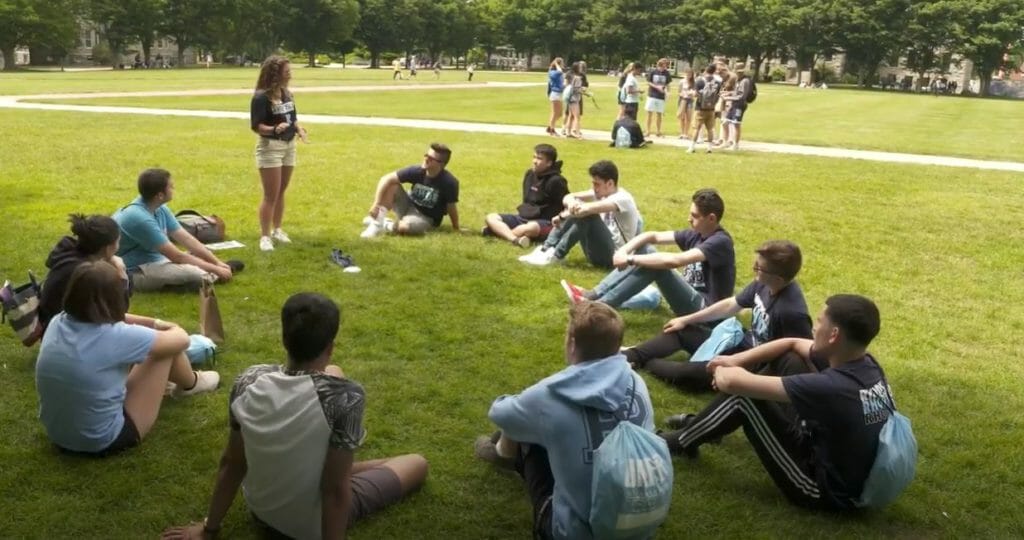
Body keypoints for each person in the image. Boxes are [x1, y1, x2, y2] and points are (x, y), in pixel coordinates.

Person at [162, 293, 429, 539]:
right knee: (416, 463)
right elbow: (335, 492)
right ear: (330, 346)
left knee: (334, 372)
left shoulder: (248, 380)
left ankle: (333, 468)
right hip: (311, 525)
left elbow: (232, 463)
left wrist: (208, 528)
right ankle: (345, 467)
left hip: (262, 509)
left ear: (284, 339)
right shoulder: (346, 397)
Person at [660, 295, 896, 511]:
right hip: (836, 456)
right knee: (790, 359)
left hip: (821, 488)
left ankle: (681, 442)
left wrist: (721, 369)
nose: (814, 328)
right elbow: (791, 343)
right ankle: (710, 426)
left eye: (819, 321)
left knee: (744, 398)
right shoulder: (866, 364)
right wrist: (735, 359)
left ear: (834, 335)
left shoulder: (833, 387)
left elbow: (731, 383)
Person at [474, 301, 656, 539]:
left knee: (525, 425)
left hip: (573, 534)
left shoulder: (550, 397)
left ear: (571, 343)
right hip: (640, 522)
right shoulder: (636, 382)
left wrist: (531, 399)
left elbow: (500, 413)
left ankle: (502, 454)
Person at [35, 261, 219, 456]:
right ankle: (191, 383)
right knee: (163, 350)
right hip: (103, 439)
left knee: (156, 345)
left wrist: (155, 323)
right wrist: (171, 327)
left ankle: (181, 383)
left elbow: (118, 317)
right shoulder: (116, 336)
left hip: (59, 436)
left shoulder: (58, 322)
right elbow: (181, 341)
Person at [625, 240, 812, 393]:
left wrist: (744, 375)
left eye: (759, 268)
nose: (754, 269)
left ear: (778, 279)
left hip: (751, 365)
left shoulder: (792, 313)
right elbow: (731, 305)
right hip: (739, 343)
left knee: (684, 374)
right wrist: (686, 319)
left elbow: (801, 359)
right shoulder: (764, 283)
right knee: (682, 330)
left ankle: (643, 362)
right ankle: (630, 356)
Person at [561, 188, 735, 317]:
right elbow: (652, 236)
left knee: (657, 265)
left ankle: (598, 307)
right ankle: (593, 295)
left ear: (711, 218)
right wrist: (624, 250)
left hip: (706, 310)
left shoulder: (720, 242)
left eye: (695, 216)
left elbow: (674, 261)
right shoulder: (697, 234)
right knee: (646, 250)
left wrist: (631, 259)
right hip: (689, 296)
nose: (689, 219)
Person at [39, 214, 182, 336]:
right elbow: (117, 313)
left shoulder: (70, 255)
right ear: (108, 248)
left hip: (55, 326)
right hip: (70, 335)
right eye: (118, 242)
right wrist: (121, 273)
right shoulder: (88, 273)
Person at [114, 168, 239, 292]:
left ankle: (216, 272)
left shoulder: (159, 208)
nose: (173, 188)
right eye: (170, 187)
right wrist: (215, 269)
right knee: (193, 273)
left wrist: (216, 262)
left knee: (198, 254)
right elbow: (177, 256)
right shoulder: (139, 218)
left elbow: (186, 239)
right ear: (160, 195)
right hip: (134, 270)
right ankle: (213, 276)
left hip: (156, 260)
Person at [519, 160, 640, 269]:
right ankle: (545, 249)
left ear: (610, 183)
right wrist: (572, 203)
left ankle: (556, 255)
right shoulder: (601, 193)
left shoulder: (623, 199)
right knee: (579, 208)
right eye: (593, 183)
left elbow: (587, 210)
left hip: (615, 257)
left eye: (597, 184)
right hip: (597, 251)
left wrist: (563, 216)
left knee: (588, 215)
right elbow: (568, 196)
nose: (594, 188)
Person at [251, 55, 309, 252]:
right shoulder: (261, 97)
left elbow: (293, 118)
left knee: (281, 191)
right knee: (270, 195)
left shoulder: (287, 94)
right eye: (287, 72)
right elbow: (257, 126)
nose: (290, 75)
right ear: (275, 74)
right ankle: (265, 236)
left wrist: (299, 129)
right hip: (270, 147)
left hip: (289, 145)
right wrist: (274, 129)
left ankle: (277, 229)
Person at [360, 143, 461, 237]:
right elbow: (386, 179)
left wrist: (456, 228)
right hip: (408, 205)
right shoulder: (417, 171)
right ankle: (377, 224)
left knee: (404, 228)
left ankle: (385, 223)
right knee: (392, 185)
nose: (426, 159)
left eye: (431, 158)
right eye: (426, 155)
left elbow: (451, 207)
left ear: (441, 164)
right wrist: (376, 204)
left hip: (426, 217)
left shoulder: (449, 182)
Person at [483, 144, 569, 249]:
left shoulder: (556, 181)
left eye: (539, 159)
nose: (534, 161)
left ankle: (495, 232)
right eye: (534, 157)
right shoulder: (529, 174)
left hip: (544, 222)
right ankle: (515, 239)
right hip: (523, 218)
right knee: (491, 217)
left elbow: (566, 204)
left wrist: (560, 219)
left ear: (549, 163)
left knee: (528, 228)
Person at [688, 65, 722, 154]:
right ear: (714, 71)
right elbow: (718, 95)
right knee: (710, 129)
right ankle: (709, 148)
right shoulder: (718, 83)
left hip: (700, 108)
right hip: (711, 109)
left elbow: (696, 94)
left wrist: (691, 93)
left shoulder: (700, 81)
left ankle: (692, 147)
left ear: (706, 70)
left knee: (696, 128)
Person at [721, 68, 752, 150]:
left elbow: (742, 96)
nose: (738, 73)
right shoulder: (738, 80)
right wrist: (728, 93)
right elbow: (737, 92)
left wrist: (728, 98)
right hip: (734, 104)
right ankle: (725, 142)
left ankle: (736, 144)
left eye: (739, 72)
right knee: (725, 122)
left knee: (736, 124)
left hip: (740, 105)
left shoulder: (745, 81)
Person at [645, 58, 672, 137]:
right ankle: (648, 131)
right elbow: (648, 82)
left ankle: (658, 131)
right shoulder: (653, 72)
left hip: (661, 96)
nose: (666, 66)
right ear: (660, 64)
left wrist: (668, 92)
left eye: (666, 65)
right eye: (665, 64)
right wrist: (657, 87)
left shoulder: (667, 73)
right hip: (652, 95)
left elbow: (668, 84)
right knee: (649, 113)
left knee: (659, 114)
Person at [546, 58, 565, 136]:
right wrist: (556, 64)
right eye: (562, 63)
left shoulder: (558, 74)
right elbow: (560, 71)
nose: (563, 65)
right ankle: (552, 130)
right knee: (555, 113)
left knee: (559, 113)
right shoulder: (553, 72)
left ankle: (550, 126)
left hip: (559, 94)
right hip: (555, 94)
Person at [564, 62, 584, 138]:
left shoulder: (574, 77)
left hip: (570, 99)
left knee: (571, 116)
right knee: (576, 116)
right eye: (580, 67)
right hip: (574, 99)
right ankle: (576, 133)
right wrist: (583, 91)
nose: (581, 68)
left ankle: (568, 132)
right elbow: (576, 90)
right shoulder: (578, 78)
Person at [676, 68, 695, 139]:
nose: (689, 75)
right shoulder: (682, 81)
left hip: (690, 100)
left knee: (689, 117)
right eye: (688, 73)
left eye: (690, 74)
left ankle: (686, 133)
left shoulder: (693, 82)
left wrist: (692, 94)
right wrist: (682, 94)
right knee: (682, 117)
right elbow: (679, 92)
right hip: (682, 100)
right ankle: (682, 133)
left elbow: (695, 92)